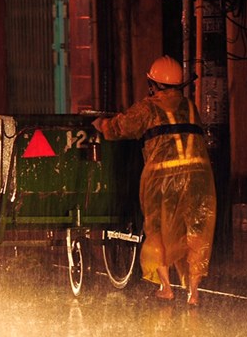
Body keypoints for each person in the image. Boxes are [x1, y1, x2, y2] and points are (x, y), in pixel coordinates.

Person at [92, 55, 217, 306]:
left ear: (153, 85)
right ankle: (193, 292)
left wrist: (100, 123)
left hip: (162, 178)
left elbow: (120, 128)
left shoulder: (148, 108)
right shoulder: (191, 106)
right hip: (198, 178)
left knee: (157, 229)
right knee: (195, 231)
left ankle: (166, 287)